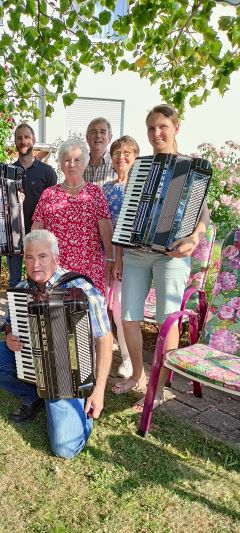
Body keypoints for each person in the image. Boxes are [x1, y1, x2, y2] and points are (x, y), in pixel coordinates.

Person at [0, 229, 112, 459]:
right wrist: (9, 337)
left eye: (42, 256)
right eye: (29, 257)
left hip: (70, 375)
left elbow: (105, 339)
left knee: (64, 450)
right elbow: (10, 324)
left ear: (56, 258)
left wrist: (98, 391)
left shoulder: (80, 288)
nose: (35, 263)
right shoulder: (22, 288)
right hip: (33, 363)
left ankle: (82, 416)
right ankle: (35, 395)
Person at [112, 104, 210, 409]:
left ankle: (156, 388)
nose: (156, 133)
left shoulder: (190, 168)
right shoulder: (141, 167)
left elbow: (203, 212)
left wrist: (195, 236)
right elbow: (131, 208)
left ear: (175, 128)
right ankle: (137, 376)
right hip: (137, 253)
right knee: (128, 317)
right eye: (151, 128)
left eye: (162, 126)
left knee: (167, 320)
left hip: (171, 256)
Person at [32, 138, 114, 297]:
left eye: (77, 160)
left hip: (89, 270)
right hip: (55, 269)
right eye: (67, 160)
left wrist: (110, 260)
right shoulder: (49, 194)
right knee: (56, 317)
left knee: (88, 317)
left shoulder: (95, 193)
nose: (72, 164)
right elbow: (36, 230)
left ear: (85, 163)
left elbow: (106, 231)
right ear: (61, 164)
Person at [102, 135, 140, 379]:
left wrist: (120, 258)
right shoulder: (106, 188)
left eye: (127, 153)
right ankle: (105, 348)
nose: (121, 157)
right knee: (103, 305)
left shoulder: (139, 188)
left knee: (119, 309)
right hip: (105, 254)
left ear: (135, 157)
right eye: (117, 153)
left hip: (128, 257)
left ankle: (128, 359)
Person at [7, 123, 58, 288]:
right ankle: (14, 312)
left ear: (34, 140)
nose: (23, 141)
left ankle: (37, 311)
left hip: (39, 235)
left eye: (26, 137)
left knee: (38, 278)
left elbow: (52, 206)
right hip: (13, 234)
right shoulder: (8, 171)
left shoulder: (47, 172)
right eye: (19, 138)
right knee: (14, 280)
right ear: (15, 141)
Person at [83, 117, 116, 187]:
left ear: (110, 138)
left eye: (102, 132)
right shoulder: (79, 164)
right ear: (87, 138)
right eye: (93, 132)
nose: (98, 136)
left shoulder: (117, 163)